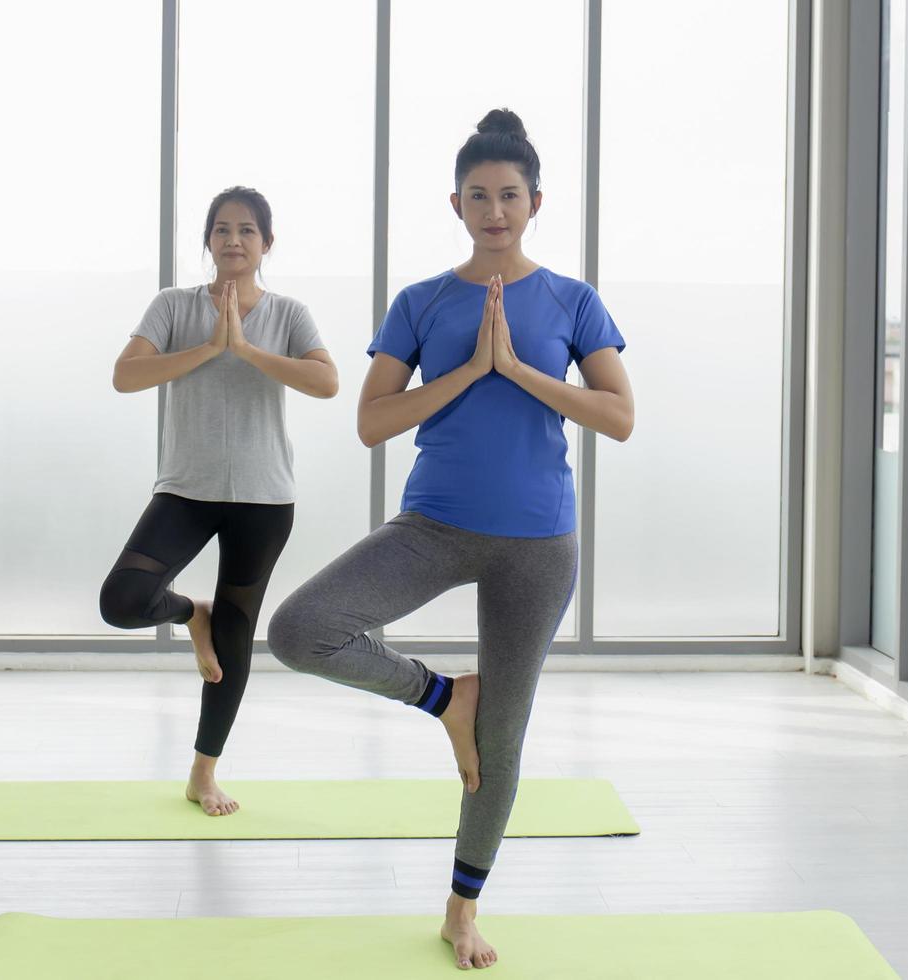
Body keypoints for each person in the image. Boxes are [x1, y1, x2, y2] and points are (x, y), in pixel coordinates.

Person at [267, 110, 634, 970]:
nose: (494, 209)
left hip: (538, 543)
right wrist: (469, 369)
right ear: (456, 203)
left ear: (536, 201)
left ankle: (461, 910)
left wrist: (521, 371)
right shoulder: (422, 301)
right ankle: (442, 698)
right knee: (298, 628)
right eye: (478, 195)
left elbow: (618, 417)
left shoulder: (572, 301)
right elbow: (370, 421)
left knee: (501, 742)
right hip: (432, 525)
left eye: (509, 194)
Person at [99, 186, 339, 817]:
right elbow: (126, 375)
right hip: (184, 488)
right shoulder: (174, 305)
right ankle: (188, 613)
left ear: (266, 243)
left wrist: (248, 350)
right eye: (223, 229)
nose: (234, 240)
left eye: (248, 230)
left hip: (263, 497)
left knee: (235, 639)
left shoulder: (288, 314)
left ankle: (203, 775)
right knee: (122, 599)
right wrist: (209, 347)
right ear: (208, 240)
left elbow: (327, 381)